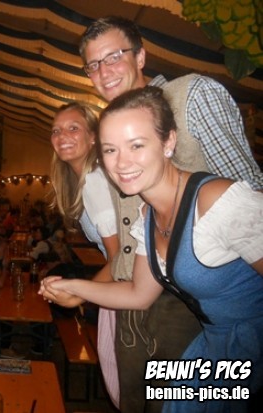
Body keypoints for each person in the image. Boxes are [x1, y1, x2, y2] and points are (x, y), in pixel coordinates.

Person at [76, 15, 263, 413]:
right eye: (93, 65)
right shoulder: (115, 132)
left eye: (114, 56)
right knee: (142, 402)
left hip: (201, 297)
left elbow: (250, 189)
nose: (104, 72)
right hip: (144, 289)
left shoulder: (192, 95)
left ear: (141, 56)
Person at [48, 101, 120, 407]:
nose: (61, 135)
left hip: (131, 284)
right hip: (126, 281)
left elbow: (121, 258)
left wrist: (78, 295)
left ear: (93, 137)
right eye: (56, 130)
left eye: (73, 128)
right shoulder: (89, 178)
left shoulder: (94, 179)